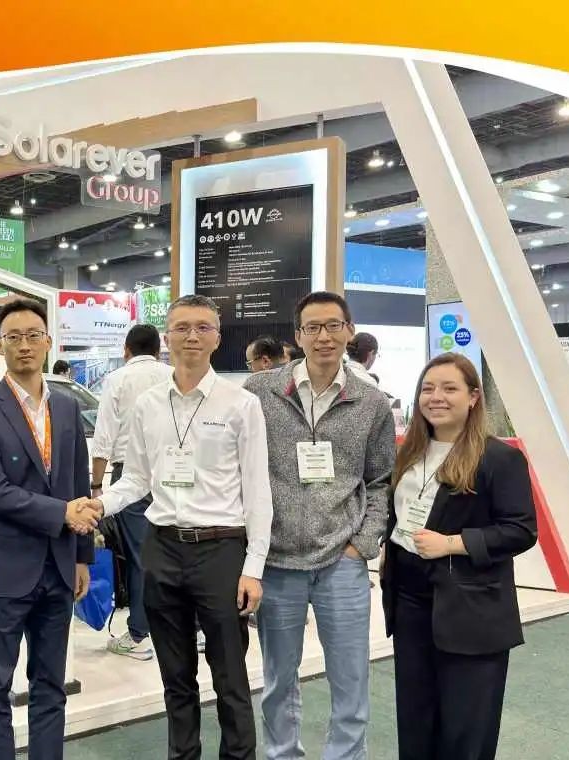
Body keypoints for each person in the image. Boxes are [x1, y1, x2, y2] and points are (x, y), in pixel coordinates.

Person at [87, 295, 271, 760]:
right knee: (175, 678)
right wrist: (99, 503)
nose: (192, 336)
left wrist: (253, 567)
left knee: (230, 677)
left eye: (203, 327)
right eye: (182, 327)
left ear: (218, 338)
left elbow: (258, 491)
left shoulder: (242, 404)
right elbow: (136, 479)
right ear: (166, 337)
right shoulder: (148, 405)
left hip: (221, 550)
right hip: (163, 548)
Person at [243, 291, 397, 760]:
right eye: (313, 327)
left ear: (349, 331)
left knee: (351, 677)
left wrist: (362, 544)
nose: (324, 336)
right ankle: (282, 753)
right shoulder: (260, 393)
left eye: (333, 325)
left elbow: (381, 480)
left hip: (342, 564)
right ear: (298, 335)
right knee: (278, 679)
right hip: (277, 562)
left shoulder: (371, 402)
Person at [382, 353, 537, 760]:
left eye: (449, 388)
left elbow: (521, 530)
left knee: (467, 728)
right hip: (410, 602)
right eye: (428, 388)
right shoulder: (411, 451)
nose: (436, 397)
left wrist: (452, 543)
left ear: (473, 397)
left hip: (471, 608)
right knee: (416, 720)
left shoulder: (498, 458)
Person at [0, 298, 95, 760]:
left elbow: (79, 484)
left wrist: (82, 556)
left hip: (59, 567)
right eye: (13, 337)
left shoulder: (67, 408)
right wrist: (63, 515)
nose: (24, 345)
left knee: (50, 687)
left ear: (48, 342)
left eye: (33, 335)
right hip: (2, 573)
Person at [90, 323, 172, 661]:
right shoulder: (173, 374)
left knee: (141, 556)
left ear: (126, 350)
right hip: (174, 471)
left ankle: (139, 633)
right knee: (178, 549)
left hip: (132, 475)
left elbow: (104, 436)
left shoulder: (118, 379)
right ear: (158, 349)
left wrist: (97, 486)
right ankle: (193, 628)